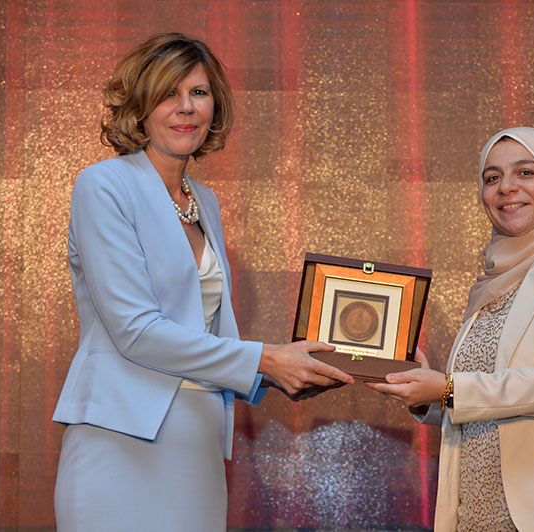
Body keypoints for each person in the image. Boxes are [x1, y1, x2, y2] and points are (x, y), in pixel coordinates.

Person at [52, 33, 354, 532]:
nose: (186, 107)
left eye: (198, 92)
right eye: (168, 93)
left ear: (215, 106)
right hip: (119, 438)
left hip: (198, 443)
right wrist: (266, 359)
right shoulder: (104, 185)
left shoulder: (204, 202)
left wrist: (279, 373)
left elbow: (203, 333)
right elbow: (135, 331)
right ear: (140, 106)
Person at [370, 127, 534, 532]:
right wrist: (426, 397)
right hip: (479, 512)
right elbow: (488, 403)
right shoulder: (493, 282)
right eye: (492, 177)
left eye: (526, 172)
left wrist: (448, 389)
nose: (506, 187)